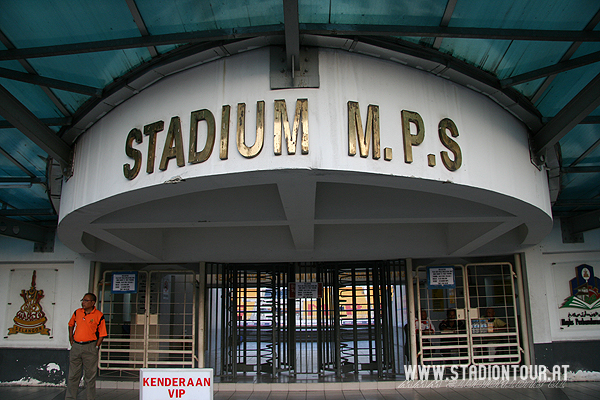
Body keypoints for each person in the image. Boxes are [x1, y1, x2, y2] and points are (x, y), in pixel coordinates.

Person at [65, 293, 107, 400]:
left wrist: (96, 346)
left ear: (93, 303)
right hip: (77, 346)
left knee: (90, 377)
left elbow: (102, 334)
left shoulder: (99, 315)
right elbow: (71, 324)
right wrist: (71, 338)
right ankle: (70, 397)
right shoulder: (77, 312)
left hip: (90, 346)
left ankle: (90, 398)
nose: (83, 302)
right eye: (83, 300)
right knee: (73, 375)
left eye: (86, 300)